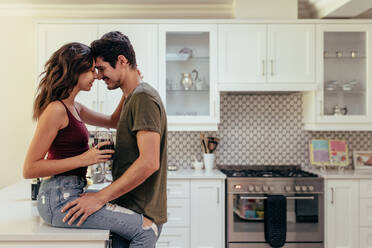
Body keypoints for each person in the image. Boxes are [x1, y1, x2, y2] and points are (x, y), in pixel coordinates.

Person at [23, 42, 161, 247]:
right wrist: (84, 159)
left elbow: (113, 121)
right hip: (58, 198)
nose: (96, 76)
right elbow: (30, 168)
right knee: (146, 231)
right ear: (74, 72)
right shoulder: (56, 110)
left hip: (72, 191)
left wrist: (130, 85)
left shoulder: (75, 107)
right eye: (90, 70)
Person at [61, 32, 168, 247]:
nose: (98, 76)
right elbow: (113, 120)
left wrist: (100, 197)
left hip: (140, 212)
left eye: (101, 68)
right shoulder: (133, 96)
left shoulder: (143, 98)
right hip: (129, 207)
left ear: (121, 61)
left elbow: (149, 162)